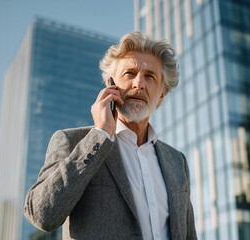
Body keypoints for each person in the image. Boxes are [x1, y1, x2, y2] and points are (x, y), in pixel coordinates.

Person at [24, 32, 197, 240]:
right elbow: (43, 215)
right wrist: (100, 135)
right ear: (110, 85)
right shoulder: (71, 141)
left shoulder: (177, 162)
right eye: (129, 73)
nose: (139, 84)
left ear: (161, 95)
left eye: (150, 76)